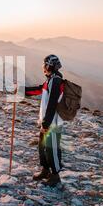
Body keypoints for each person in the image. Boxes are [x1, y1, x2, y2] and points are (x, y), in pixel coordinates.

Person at [25, 54, 64, 186]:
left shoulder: (55, 81)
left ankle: (55, 175)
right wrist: (21, 90)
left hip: (53, 122)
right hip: (47, 121)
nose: (43, 67)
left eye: (45, 65)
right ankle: (45, 170)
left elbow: (52, 103)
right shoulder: (51, 80)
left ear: (49, 66)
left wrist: (46, 123)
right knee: (43, 146)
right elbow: (38, 90)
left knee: (52, 148)